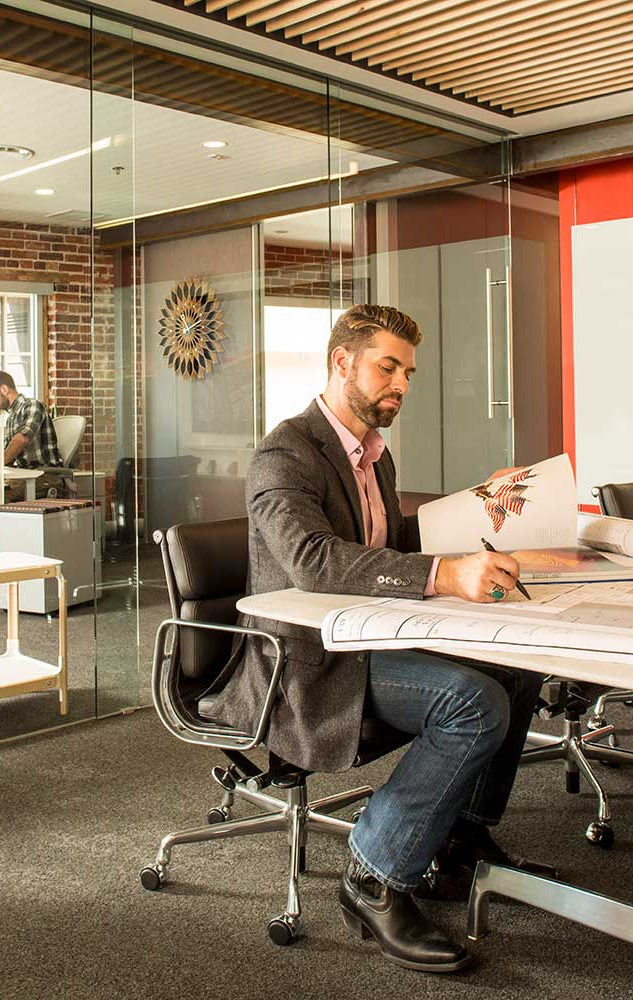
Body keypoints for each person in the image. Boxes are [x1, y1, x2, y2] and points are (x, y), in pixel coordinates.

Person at [211, 304, 548, 974]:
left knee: (515, 667)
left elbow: (384, 549)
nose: (402, 383)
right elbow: (314, 559)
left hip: (369, 637)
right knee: (472, 703)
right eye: (387, 366)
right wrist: (446, 575)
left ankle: (457, 836)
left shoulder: (372, 455)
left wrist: (477, 505)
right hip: (306, 662)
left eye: (408, 371)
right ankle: (373, 874)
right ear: (343, 362)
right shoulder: (286, 452)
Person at [0, 370, 66, 501]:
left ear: (3, 389)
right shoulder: (11, 418)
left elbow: (22, 439)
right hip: (25, 475)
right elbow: (9, 455)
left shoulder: (32, 405)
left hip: (45, 475)